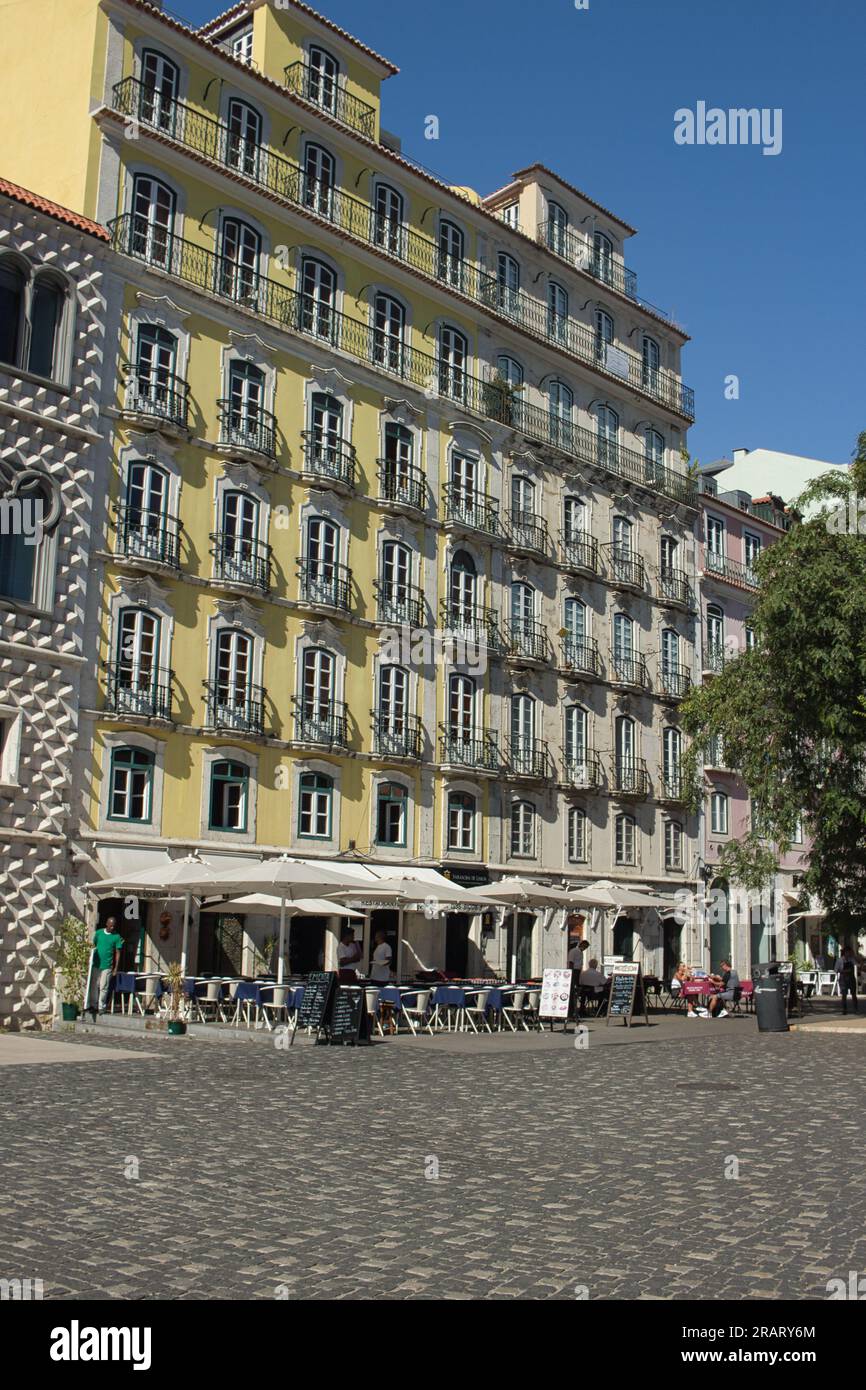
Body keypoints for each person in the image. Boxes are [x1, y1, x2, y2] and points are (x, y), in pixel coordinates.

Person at [91, 917, 124, 1014]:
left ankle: (101, 1006)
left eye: (114, 925)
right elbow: (94, 946)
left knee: (103, 986)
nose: (112, 927)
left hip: (107, 965)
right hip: (96, 963)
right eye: (111, 925)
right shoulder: (99, 933)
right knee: (94, 985)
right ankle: (93, 1004)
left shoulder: (116, 936)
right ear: (106, 924)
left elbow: (118, 952)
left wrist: (115, 968)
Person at [834, 946, 859, 1015]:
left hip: (851, 978)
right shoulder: (839, 960)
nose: (849, 954)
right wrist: (843, 971)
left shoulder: (851, 959)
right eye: (848, 952)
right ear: (844, 953)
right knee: (844, 995)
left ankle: (856, 1009)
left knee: (853, 994)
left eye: (850, 952)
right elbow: (836, 970)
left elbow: (857, 964)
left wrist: (855, 957)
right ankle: (844, 1009)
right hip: (843, 979)